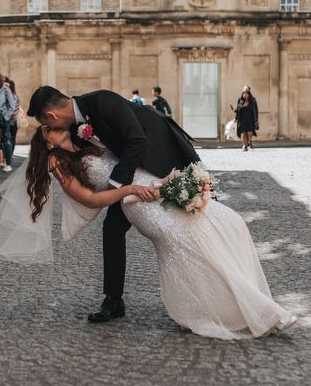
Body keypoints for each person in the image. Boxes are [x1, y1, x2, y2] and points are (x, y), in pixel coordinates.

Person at [0, 126, 297, 340]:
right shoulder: (60, 164)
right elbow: (90, 199)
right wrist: (132, 190)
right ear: (47, 144)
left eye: (52, 125)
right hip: (138, 203)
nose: (55, 128)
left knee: (227, 222)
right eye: (48, 130)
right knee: (191, 245)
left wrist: (164, 179)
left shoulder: (90, 139)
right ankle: (254, 310)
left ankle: (237, 302)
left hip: (156, 184)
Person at [26, 86, 199, 323]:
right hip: (132, 179)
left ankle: (199, 281)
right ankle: (113, 299)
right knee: (113, 229)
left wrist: (117, 184)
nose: (51, 129)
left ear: (52, 116)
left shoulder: (103, 101)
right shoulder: (75, 131)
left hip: (162, 156)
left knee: (192, 217)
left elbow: (137, 140)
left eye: (47, 124)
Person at [0, 71, 17, 172]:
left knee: (6, 141)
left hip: (4, 118)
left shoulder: (5, 90)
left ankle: (8, 164)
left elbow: (12, 105)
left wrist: (6, 116)